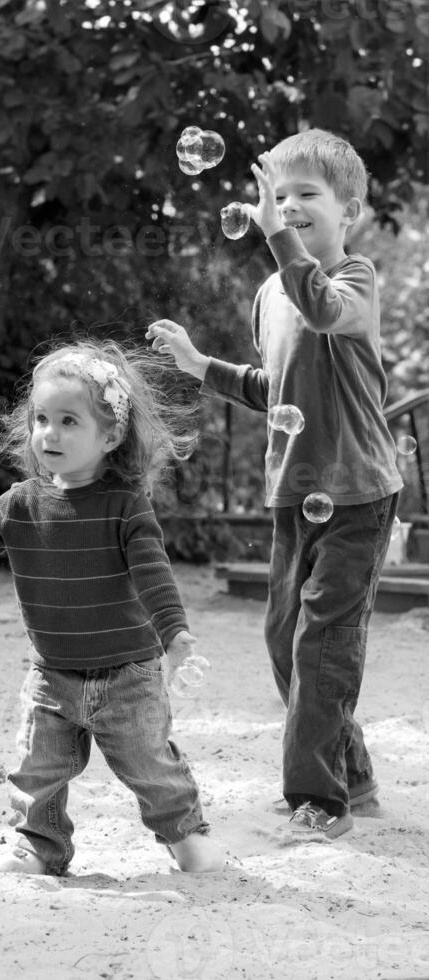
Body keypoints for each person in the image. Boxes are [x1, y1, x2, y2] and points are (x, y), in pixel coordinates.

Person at [0, 339, 225, 875]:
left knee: (151, 770)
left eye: (68, 420)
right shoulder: (19, 504)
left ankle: (185, 835)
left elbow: (154, 573)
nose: (49, 433)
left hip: (127, 676)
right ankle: (41, 845)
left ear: (110, 436)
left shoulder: (125, 505)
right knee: (37, 772)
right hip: (51, 677)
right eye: (41, 418)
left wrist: (174, 634)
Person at [147, 129, 403, 841]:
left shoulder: (354, 281)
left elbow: (322, 308)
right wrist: (201, 365)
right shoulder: (269, 293)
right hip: (296, 495)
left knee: (323, 646)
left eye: (304, 196)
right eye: (277, 195)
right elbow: (274, 388)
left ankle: (318, 802)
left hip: (357, 495)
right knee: (285, 641)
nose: (285, 208)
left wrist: (275, 239)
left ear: (347, 210)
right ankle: (353, 775)